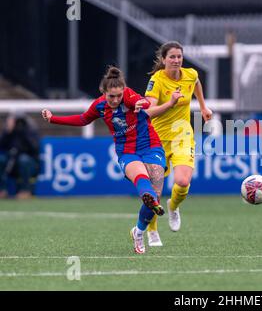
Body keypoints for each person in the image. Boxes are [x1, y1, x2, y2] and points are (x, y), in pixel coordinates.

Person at [42, 66, 182, 254]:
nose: (115, 100)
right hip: (127, 152)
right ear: (104, 93)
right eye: (111, 96)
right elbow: (83, 119)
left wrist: (141, 104)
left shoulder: (129, 96)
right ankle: (148, 204)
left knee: (156, 191)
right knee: (141, 178)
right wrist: (53, 119)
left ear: (123, 91)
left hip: (150, 146)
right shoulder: (99, 106)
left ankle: (138, 231)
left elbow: (144, 102)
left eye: (118, 96)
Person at [138, 41, 212, 246]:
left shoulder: (190, 74)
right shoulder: (157, 81)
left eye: (179, 56)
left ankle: (173, 206)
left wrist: (203, 107)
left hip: (182, 135)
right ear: (163, 59)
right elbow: (147, 111)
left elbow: (196, 83)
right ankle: (152, 231)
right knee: (154, 192)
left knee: (182, 181)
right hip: (157, 140)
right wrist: (170, 103)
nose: (176, 60)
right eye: (172, 57)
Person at [0, 113, 40, 199]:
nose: (18, 124)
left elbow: (35, 148)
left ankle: (25, 190)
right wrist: (8, 131)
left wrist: (24, 132)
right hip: (11, 161)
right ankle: (2, 190)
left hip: (28, 163)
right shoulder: (9, 132)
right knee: (1, 159)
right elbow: (2, 146)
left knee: (23, 160)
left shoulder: (30, 130)